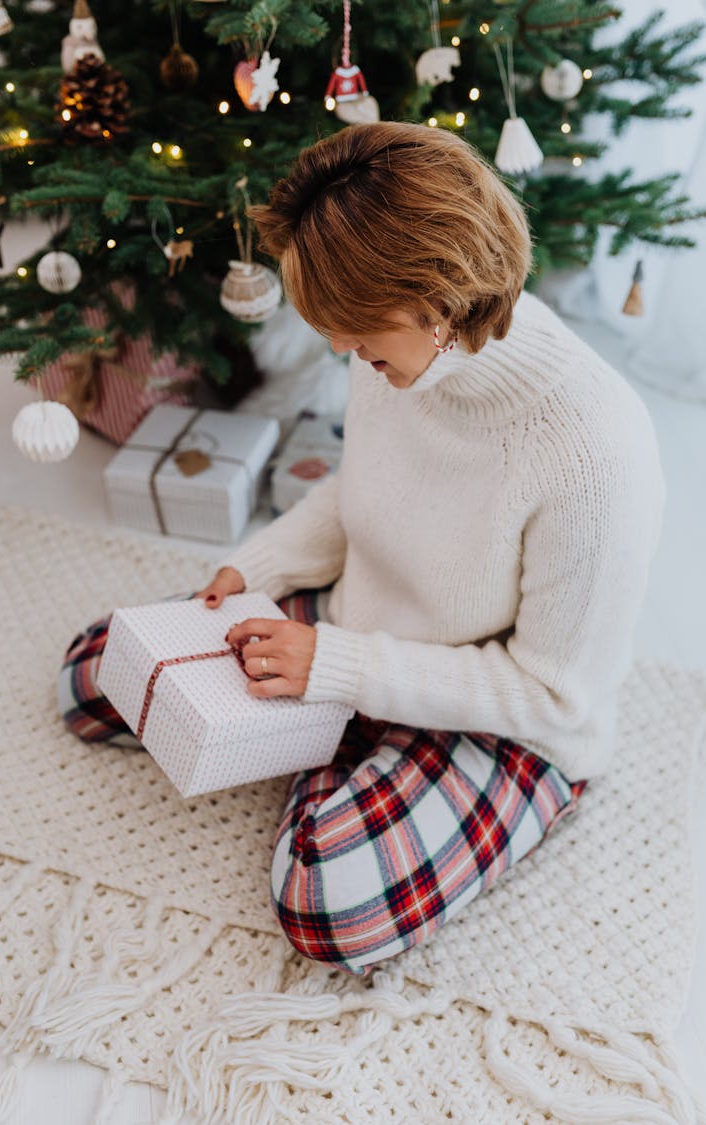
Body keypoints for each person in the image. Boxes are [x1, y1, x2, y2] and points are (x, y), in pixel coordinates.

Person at [59, 121, 665, 978]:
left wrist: (332, 671)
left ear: (442, 297)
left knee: (322, 898)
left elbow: (555, 695)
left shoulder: (594, 452)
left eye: (355, 328)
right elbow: (360, 489)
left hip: (508, 710)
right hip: (361, 629)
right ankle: (340, 740)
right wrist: (258, 568)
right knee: (93, 672)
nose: (340, 350)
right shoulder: (397, 352)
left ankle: (400, 761)